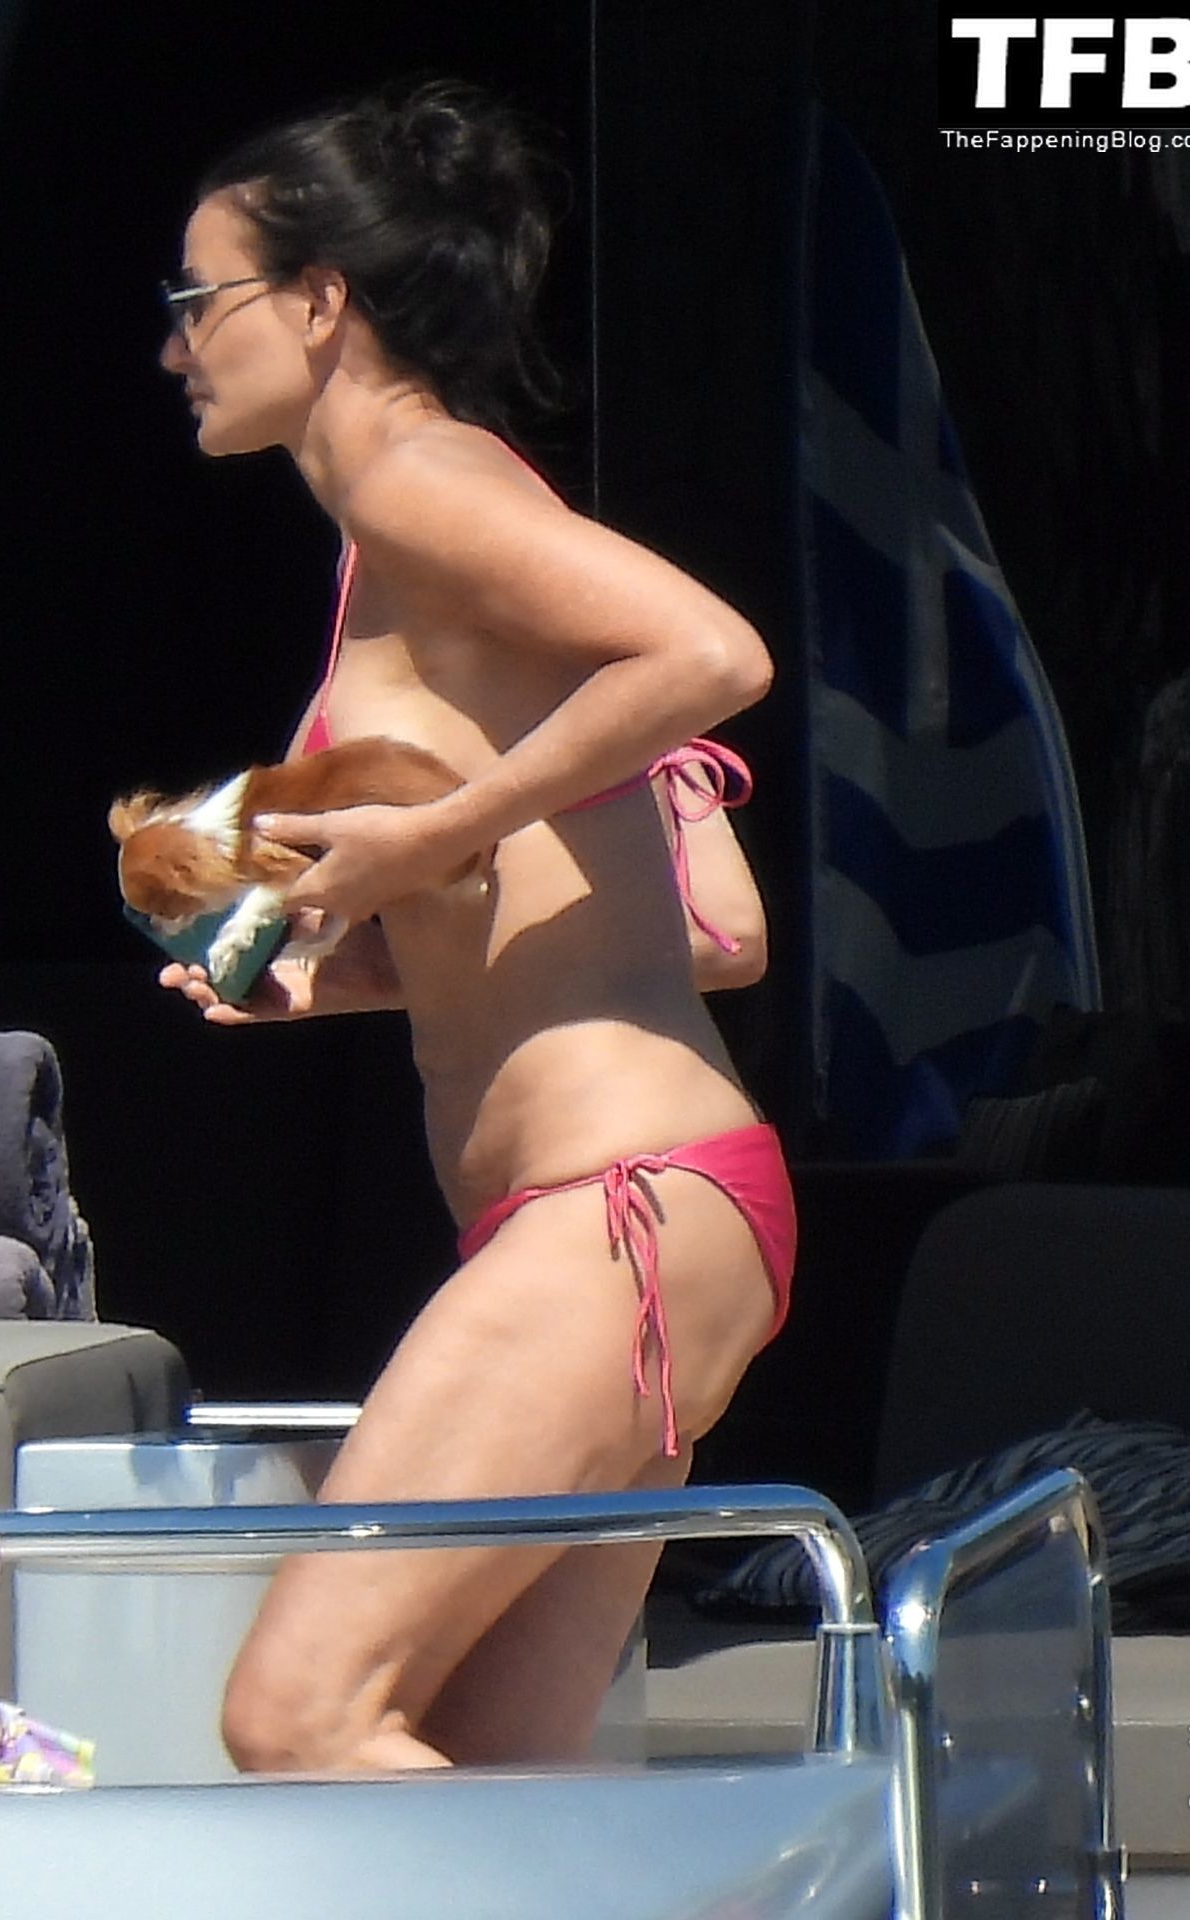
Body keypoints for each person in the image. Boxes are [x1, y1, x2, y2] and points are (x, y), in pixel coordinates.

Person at [154, 78, 795, 1772]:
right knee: (489, 1789)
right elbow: (662, 926)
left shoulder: (417, 484)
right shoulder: (395, 540)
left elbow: (712, 654)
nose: (173, 348)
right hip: (623, 1212)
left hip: (611, 1212)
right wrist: (351, 974)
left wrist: (432, 830)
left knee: (299, 1720)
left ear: (318, 300)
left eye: (196, 300)